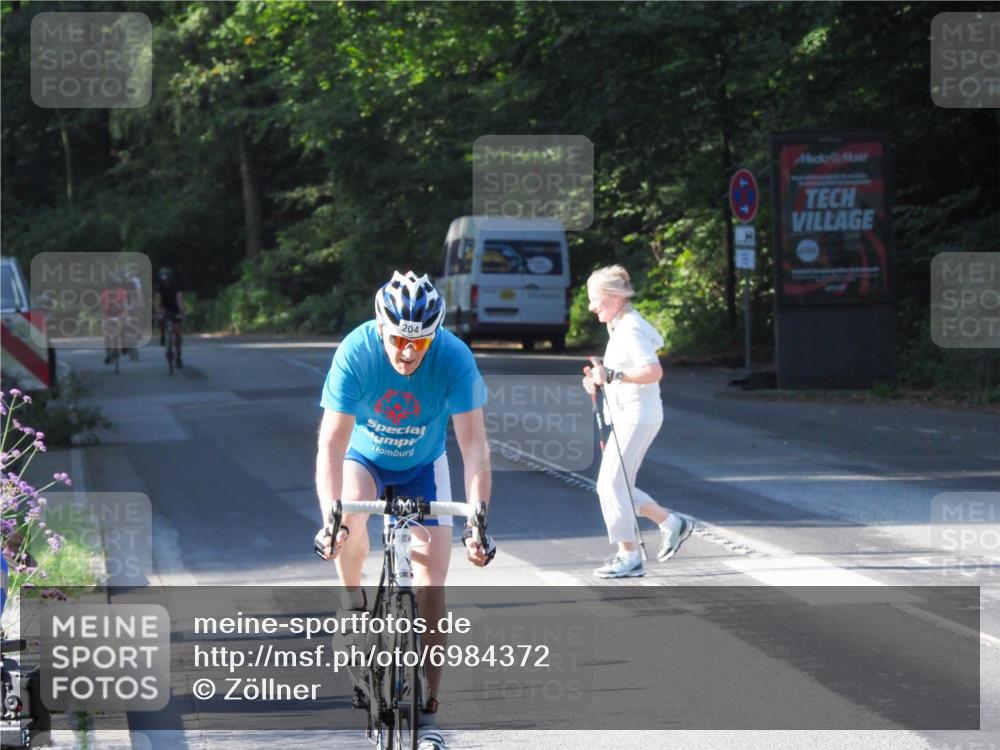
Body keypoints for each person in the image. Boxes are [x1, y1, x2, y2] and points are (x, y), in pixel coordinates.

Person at [314, 270, 496, 750]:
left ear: (435, 335)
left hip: (423, 464)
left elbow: (475, 446)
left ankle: (430, 713)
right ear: (381, 329)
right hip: (366, 459)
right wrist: (329, 518)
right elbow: (331, 444)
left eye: (419, 342)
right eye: (397, 339)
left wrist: (478, 521)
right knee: (350, 522)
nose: (407, 352)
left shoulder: (455, 357)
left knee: (432, 584)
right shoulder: (356, 351)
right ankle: (352, 603)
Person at [581, 264, 691, 578]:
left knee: (609, 485)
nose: (591, 306)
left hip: (638, 417)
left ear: (614, 298)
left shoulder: (630, 327)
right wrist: (599, 381)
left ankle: (628, 556)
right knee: (620, 486)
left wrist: (614, 375)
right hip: (630, 415)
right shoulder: (616, 325)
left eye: (595, 299)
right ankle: (672, 523)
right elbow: (621, 374)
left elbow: (654, 371)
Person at [155, 267, 183, 368]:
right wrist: (158, 311)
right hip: (164, 307)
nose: (165, 282)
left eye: (167, 280)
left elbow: (179, 298)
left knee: (177, 333)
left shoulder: (176, 286)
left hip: (175, 307)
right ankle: (162, 335)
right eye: (163, 281)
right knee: (161, 318)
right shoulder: (159, 287)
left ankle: (179, 356)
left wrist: (181, 310)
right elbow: (158, 300)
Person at [99, 278, 129, 364]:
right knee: (107, 335)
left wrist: (124, 315)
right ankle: (108, 354)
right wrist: (104, 318)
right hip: (109, 315)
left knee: (123, 328)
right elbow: (102, 308)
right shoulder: (105, 294)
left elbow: (125, 306)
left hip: (119, 314)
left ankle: (124, 345)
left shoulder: (122, 292)